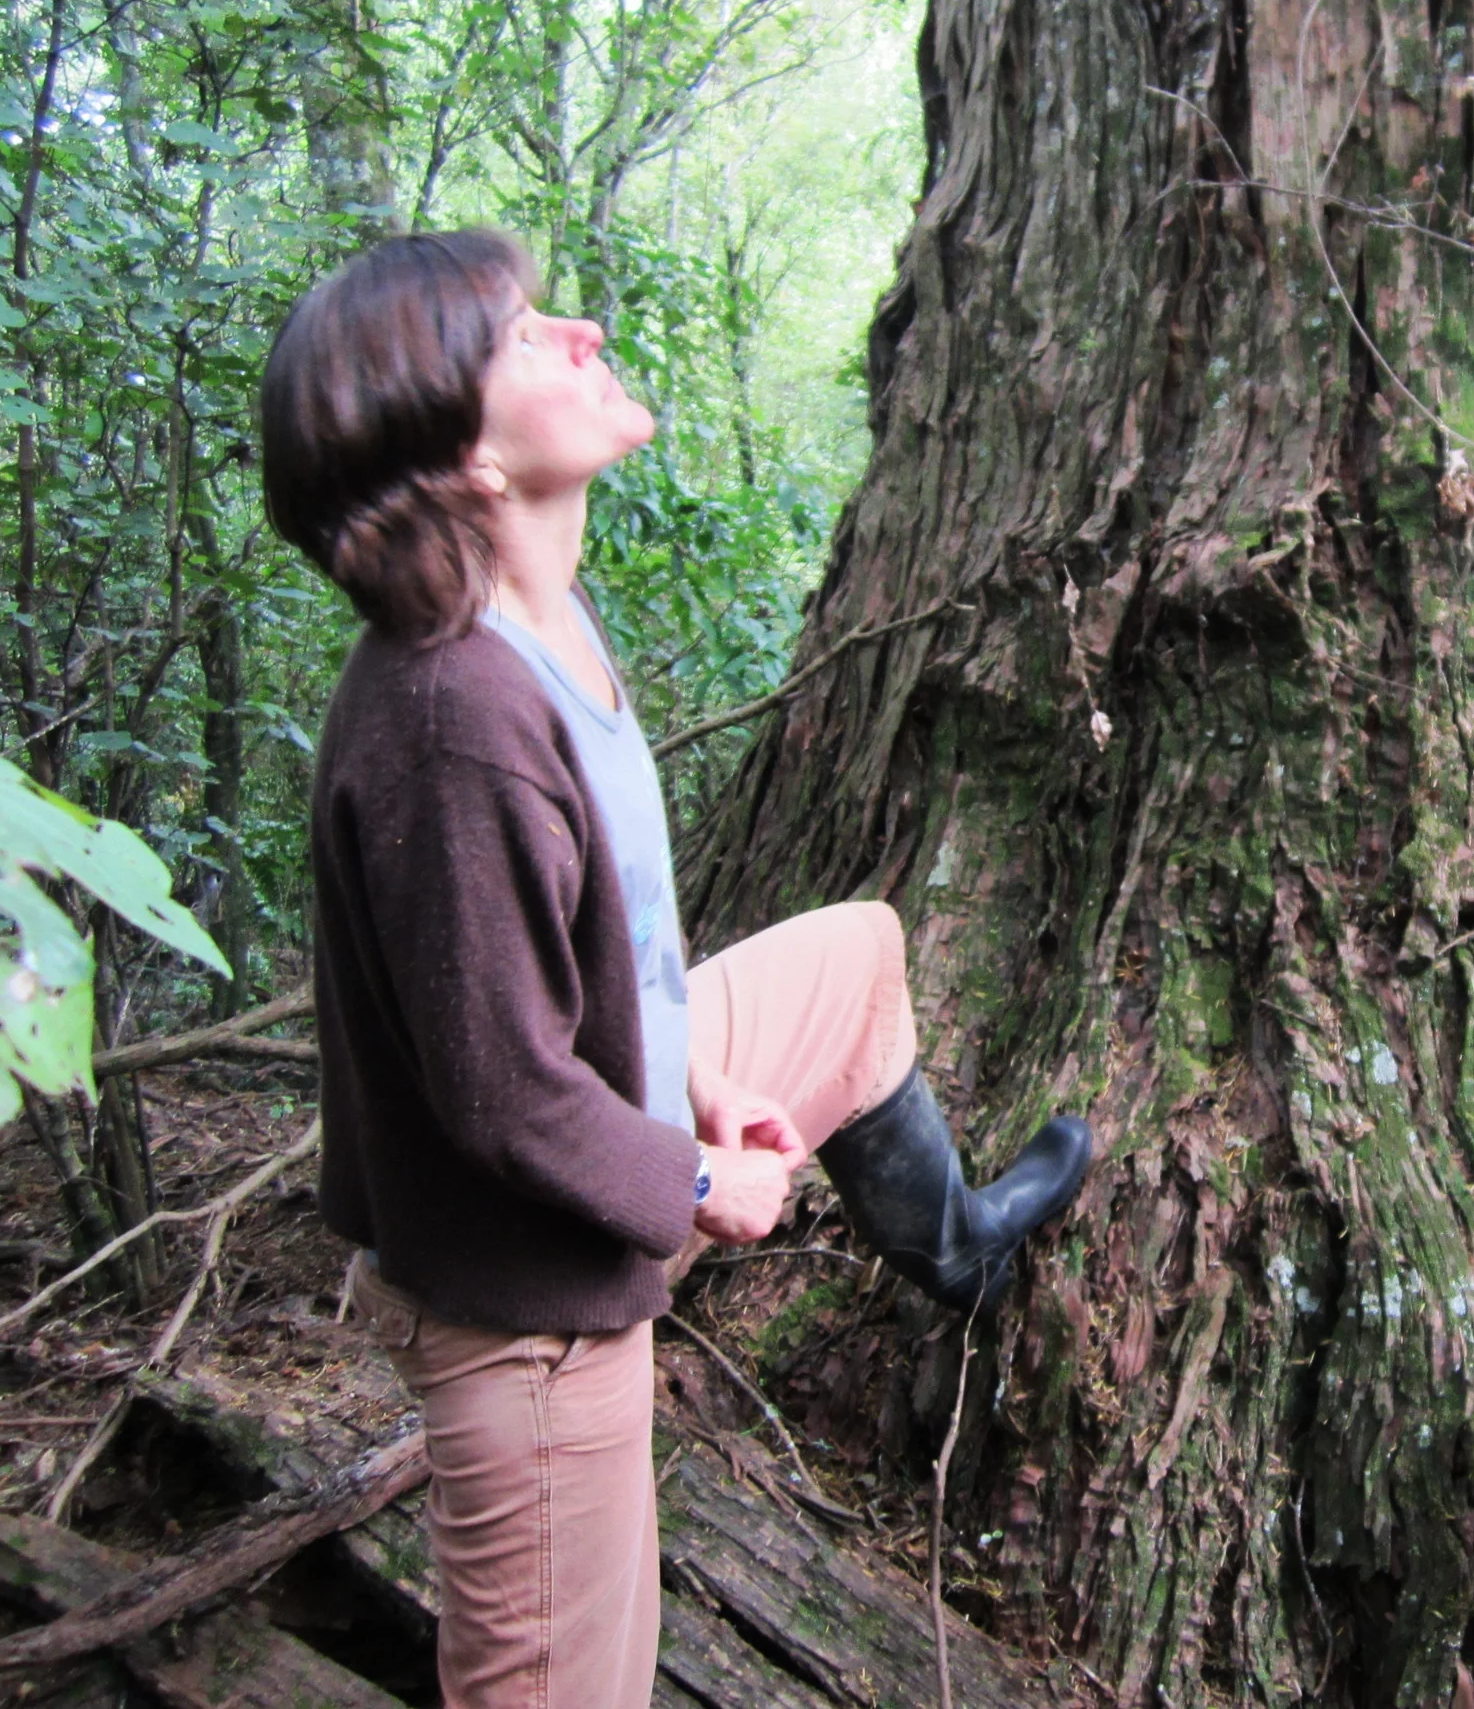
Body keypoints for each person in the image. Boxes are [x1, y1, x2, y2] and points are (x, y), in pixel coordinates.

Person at [257, 229, 1091, 1709]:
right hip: (526, 1311)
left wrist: (694, 1068)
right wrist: (706, 1179)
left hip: (608, 1125)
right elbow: (504, 1097)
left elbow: (601, 953)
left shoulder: (542, 619)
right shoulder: (454, 723)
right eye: (522, 338)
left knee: (855, 955)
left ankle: (957, 1244)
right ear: (466, 463)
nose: (578, 331)